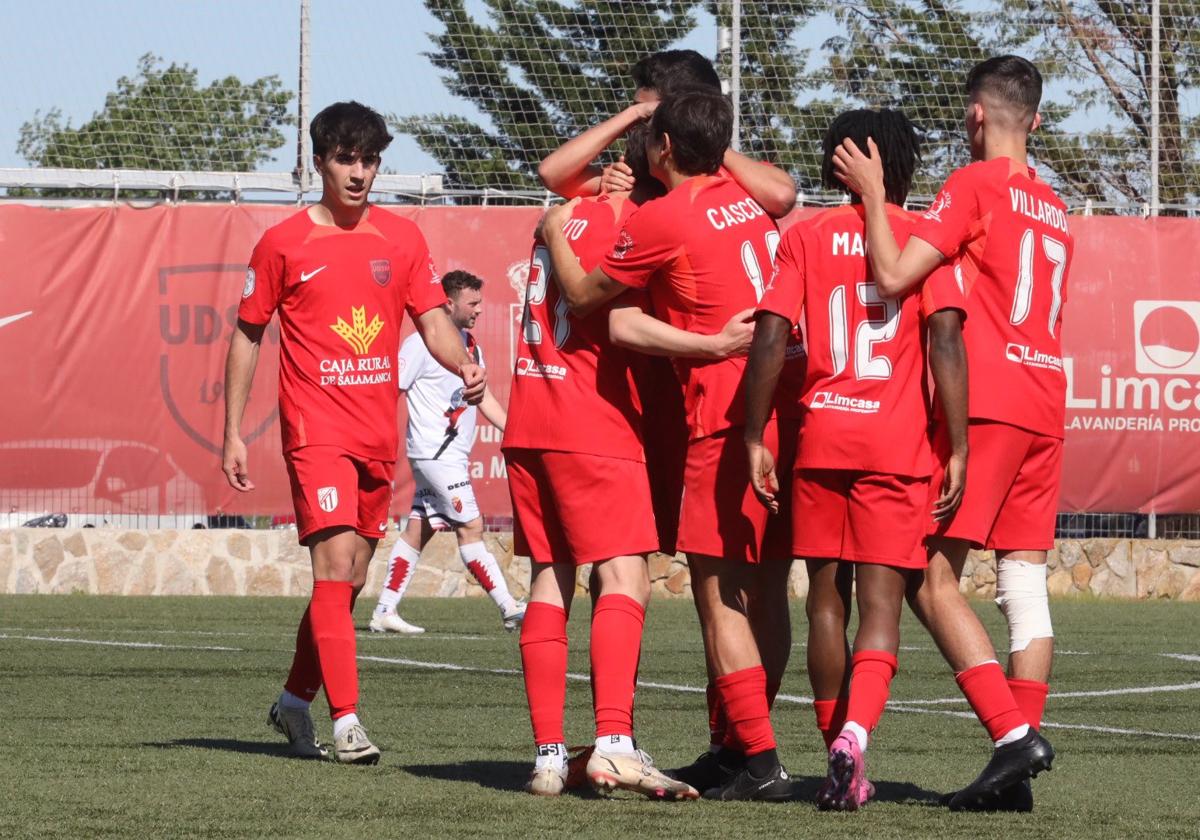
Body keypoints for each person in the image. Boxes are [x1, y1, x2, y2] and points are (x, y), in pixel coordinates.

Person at [540, 89, 806, 801]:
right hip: (782, 406)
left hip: (724, 415)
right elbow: (781, 191)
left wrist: (556, 236)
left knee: (718, 595)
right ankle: (737, 751)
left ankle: (761, 761)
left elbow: (595, 302)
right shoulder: (747, 197)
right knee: (766, 590)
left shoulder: (664, 217)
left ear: (662, 150)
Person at [833, 55, 1067, 810]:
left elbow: (897, 273)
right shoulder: (1057, 204)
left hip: (992, 402)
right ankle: (1015, 774)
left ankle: (1011, 738)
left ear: (975, 117)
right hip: (1046, 401)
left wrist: (872, 194)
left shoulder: (971, 185)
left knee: (925, 573)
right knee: (1023, 584)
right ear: (1033, 119)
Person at [221, 101, 484, 765]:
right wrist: (231, 431)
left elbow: (431, 319)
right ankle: (348, 723)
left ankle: (292, 703)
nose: (359, 172)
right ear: (319, 163)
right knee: (333, 567)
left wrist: (464, 362)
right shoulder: (282, 242)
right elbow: (248, 333)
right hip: (315, 431)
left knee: (349, 581)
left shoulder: (401, 238)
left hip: (375, 434)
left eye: (369, 159)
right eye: (346, 159)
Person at [507, 123, 750, 800]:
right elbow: (615, 323)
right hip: (591, 421)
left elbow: (557, 178)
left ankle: (551, 757)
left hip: (529, 415)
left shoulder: (565, 215)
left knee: (548, 581)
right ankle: (613, 741)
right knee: (624, 576)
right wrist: (711, 343)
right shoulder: (628, 227)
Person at [743, 108, 969, 811]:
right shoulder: (925, 239)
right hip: (894, 446)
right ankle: (855, 739)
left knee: (823, 601)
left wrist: (754, 435)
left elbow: (772, 337)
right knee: (882, 606)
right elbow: (945, 343)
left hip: (820, 440)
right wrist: (957, 443)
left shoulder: (804, 237)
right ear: (905, 165)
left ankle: (829, 750)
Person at [370, 270, 525, 635]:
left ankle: (384, 610)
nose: (479, 310)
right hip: (433, 455)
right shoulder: (421, 344)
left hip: (448, 456)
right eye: (472, 304)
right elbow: (392, 387)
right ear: (448, 304)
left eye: (480, 303)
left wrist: (516, 432)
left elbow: (483, 397)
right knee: (471, 527)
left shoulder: (471, 346)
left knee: (418, 530)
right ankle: (508, 607)